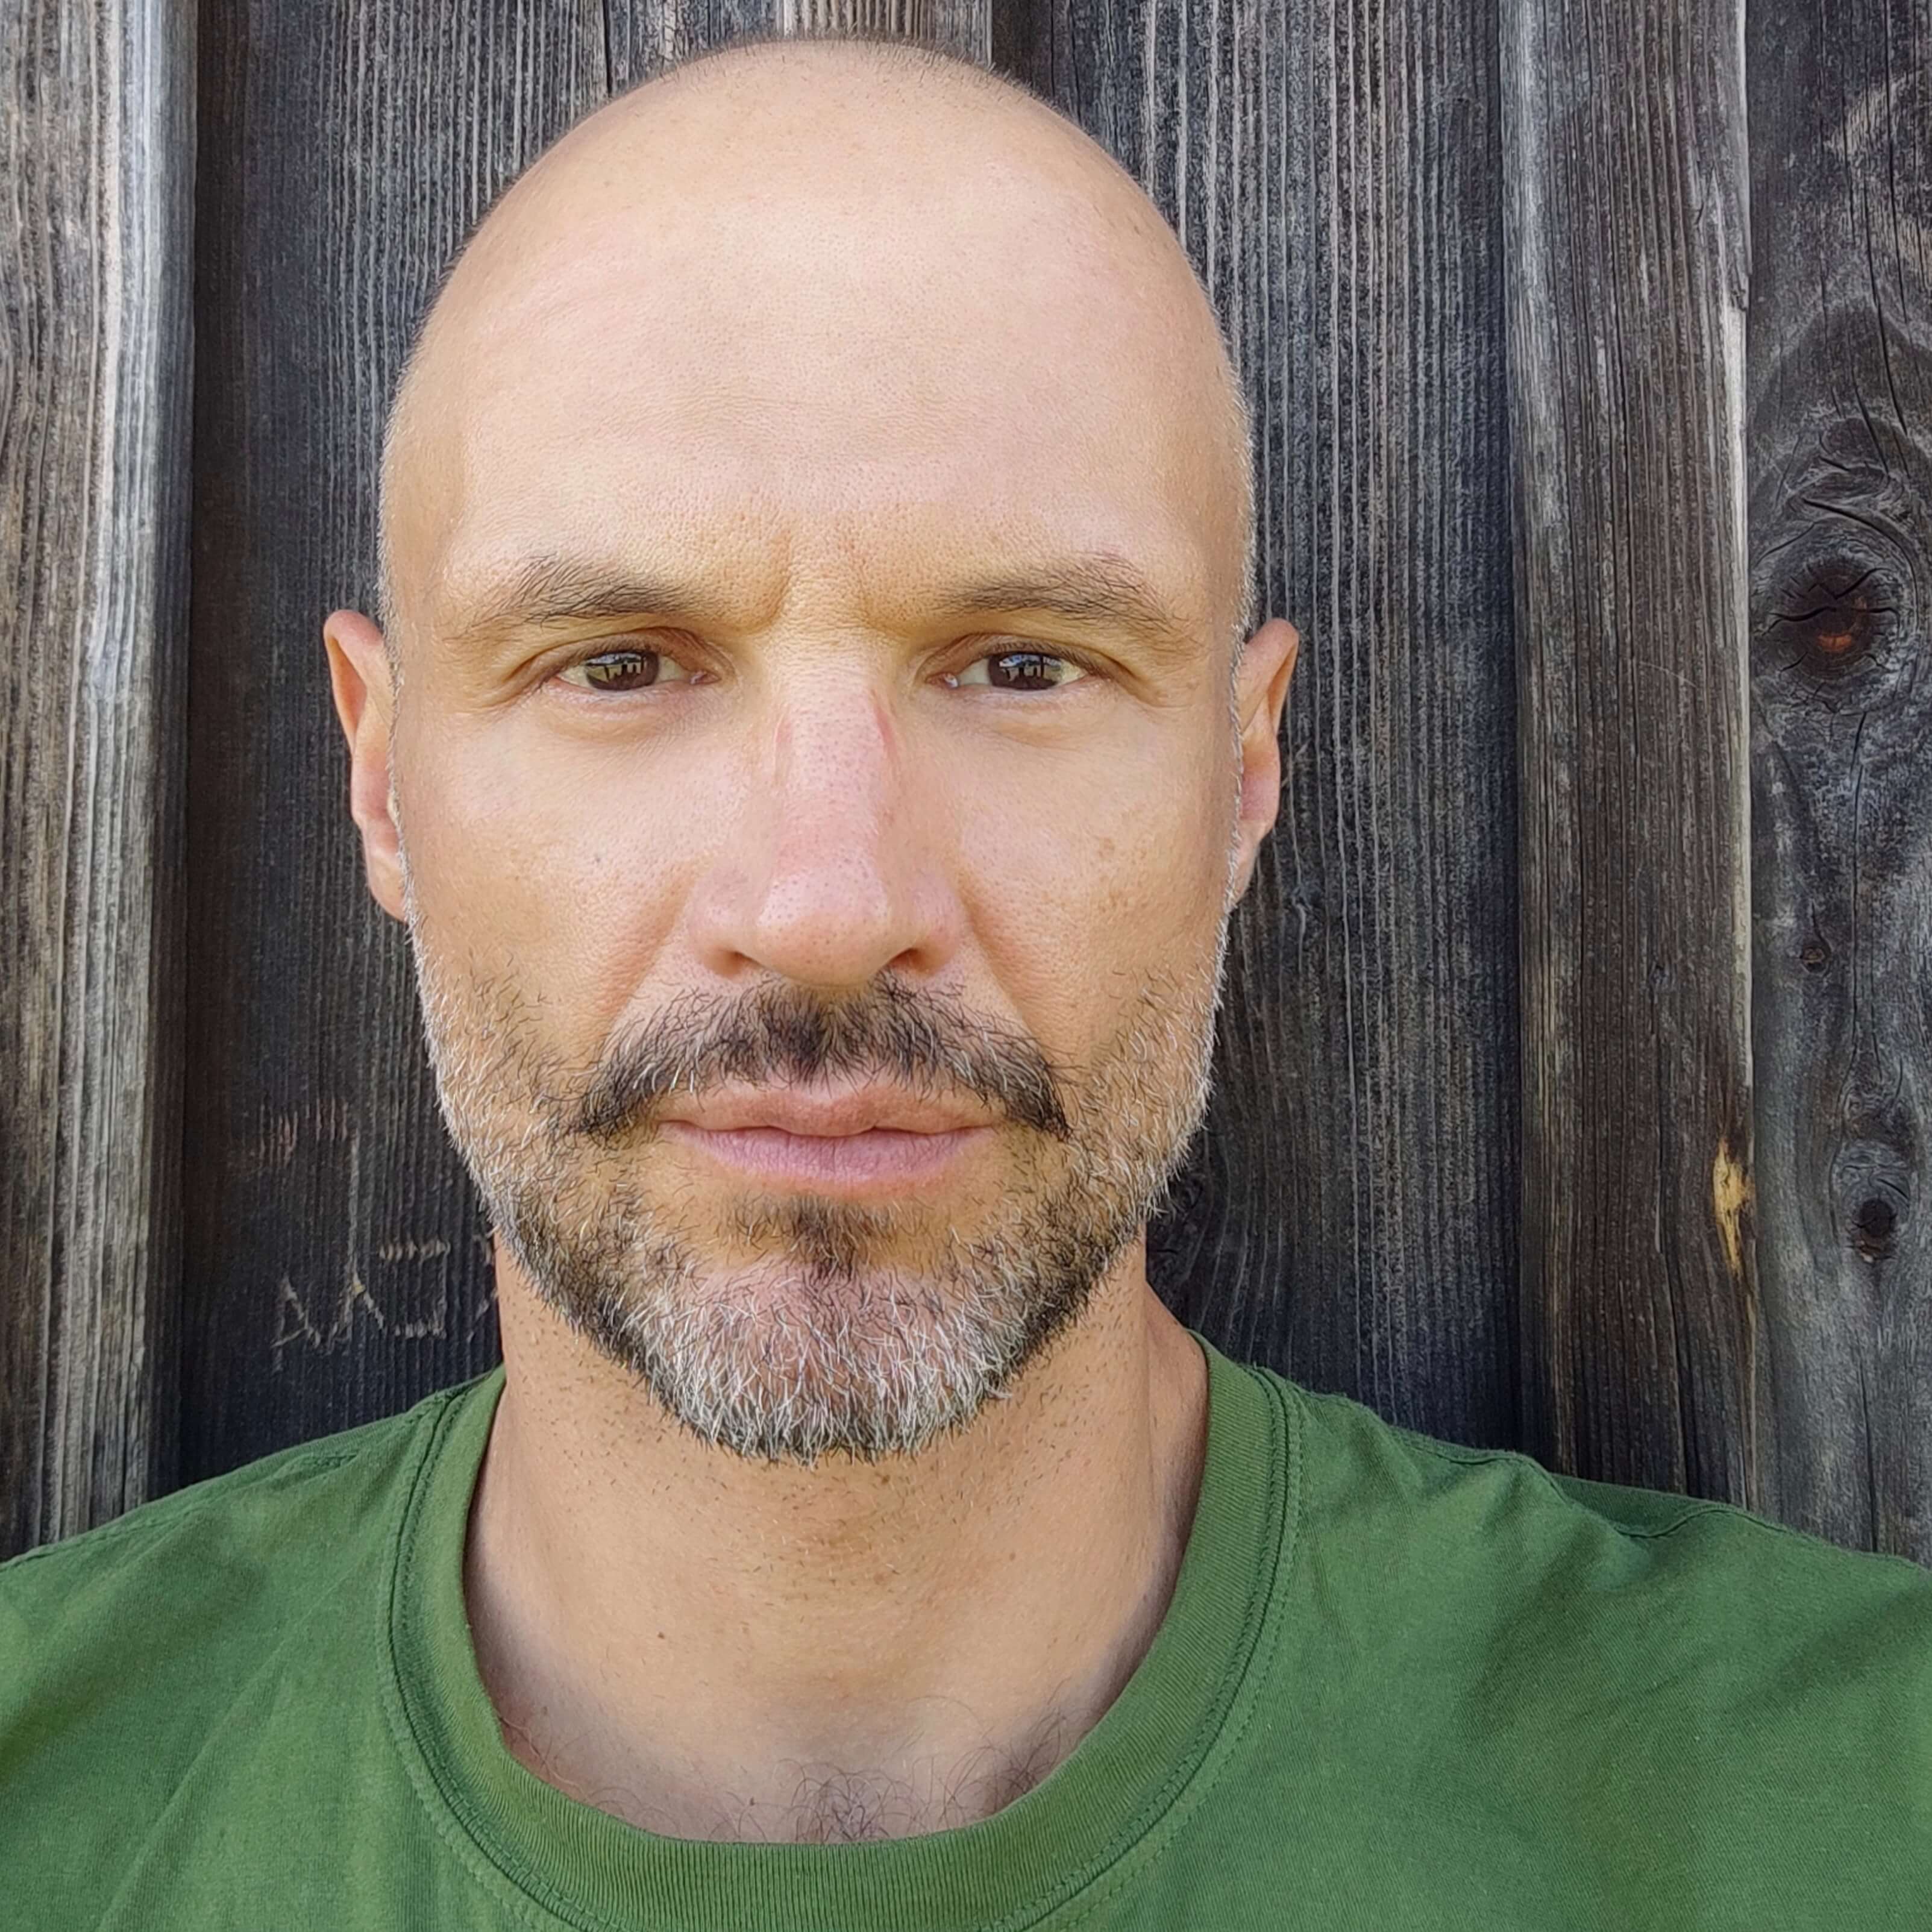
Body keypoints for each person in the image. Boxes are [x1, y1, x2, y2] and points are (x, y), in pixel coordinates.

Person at [2, 29, 1927, 1931]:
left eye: (1022, 665)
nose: (829, 905)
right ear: (382, 777)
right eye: (620, 665)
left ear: (1241, 773)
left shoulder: (1851, 1809)